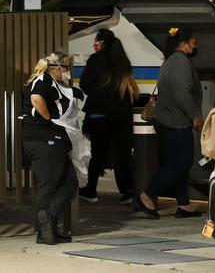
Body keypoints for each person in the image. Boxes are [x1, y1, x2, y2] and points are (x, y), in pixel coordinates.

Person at [135, 27, 202, 219]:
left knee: (178, 162)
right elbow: (182, 91)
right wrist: (195, 115)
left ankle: (184, 204)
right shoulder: (181, 61)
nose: (196, 46)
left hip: (167, 119)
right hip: (175, 121)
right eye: (194, 42)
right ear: (185, 43)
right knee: (180, 163)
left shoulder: (171, 60)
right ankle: (147, 194)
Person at [22, 52, 81, 245]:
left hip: (53, 140)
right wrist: (48, 118)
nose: (68, 72)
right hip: (44, 139)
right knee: (48, 183)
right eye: (67, 68)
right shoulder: (43, 80)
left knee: (69, 183)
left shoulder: (56, 84)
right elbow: (37, 98)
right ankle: (44, 230)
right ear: (59, 68)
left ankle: (49, 224)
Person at [79, 29, 139, 204]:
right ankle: (127, 191)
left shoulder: (95, 60)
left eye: (96, 41)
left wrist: (97, 95)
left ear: (102, 43)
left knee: (97, 153)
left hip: (100, 114)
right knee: (122, 154)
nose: (94, 44)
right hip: (122, 114)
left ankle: (91, 190)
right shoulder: (122, 61)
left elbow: (84, 84)